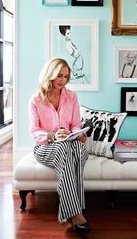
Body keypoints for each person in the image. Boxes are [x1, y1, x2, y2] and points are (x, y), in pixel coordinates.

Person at [29, 57, 90, 234]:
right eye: (58, 76)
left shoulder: (71, 96)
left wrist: (79, 133)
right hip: (44, 147)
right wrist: (53, 135)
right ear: (50, 75)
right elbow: (34, 131)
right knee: (63, 149)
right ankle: (77, 213)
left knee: (79, 149)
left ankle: (70, 210)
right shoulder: (36, 100)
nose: (62, 80)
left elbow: (75, 123)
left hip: (69, 144)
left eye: (65, 76)